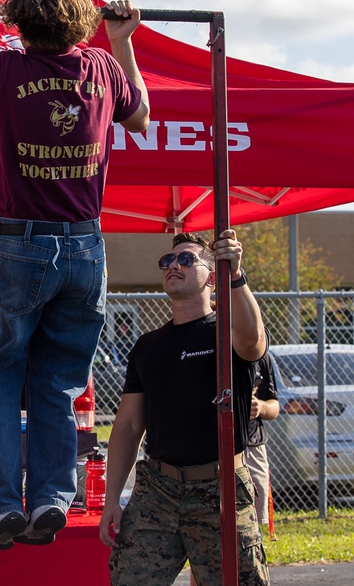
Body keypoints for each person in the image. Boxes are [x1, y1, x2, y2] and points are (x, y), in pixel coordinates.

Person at [0, 0, 150, 550]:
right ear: (82, 23)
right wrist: (123, 41)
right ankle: (54, 496)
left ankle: (4, 505)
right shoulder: (101, 68)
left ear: (20, 23)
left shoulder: (7, 67)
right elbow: (141, 117)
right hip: (86, 245)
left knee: (1, 375)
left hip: (23, 243)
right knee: (57, 383)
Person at [98, 230, 270, 586]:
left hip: (219, 489)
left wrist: (236, 274)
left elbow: (253, 341)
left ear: (212, 276)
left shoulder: (226, 332)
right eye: (168, 260)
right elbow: (129, 426)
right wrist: (111, 498)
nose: (173, 265)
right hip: (157, 490)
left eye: (187, 259)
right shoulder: (148, 346)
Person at [247, 352, 280, 529]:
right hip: (211, 447)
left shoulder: (259, 354)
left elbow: (274, 405)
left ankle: (251, 554)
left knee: (253, 522)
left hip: (251, 445)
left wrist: (261, 407)